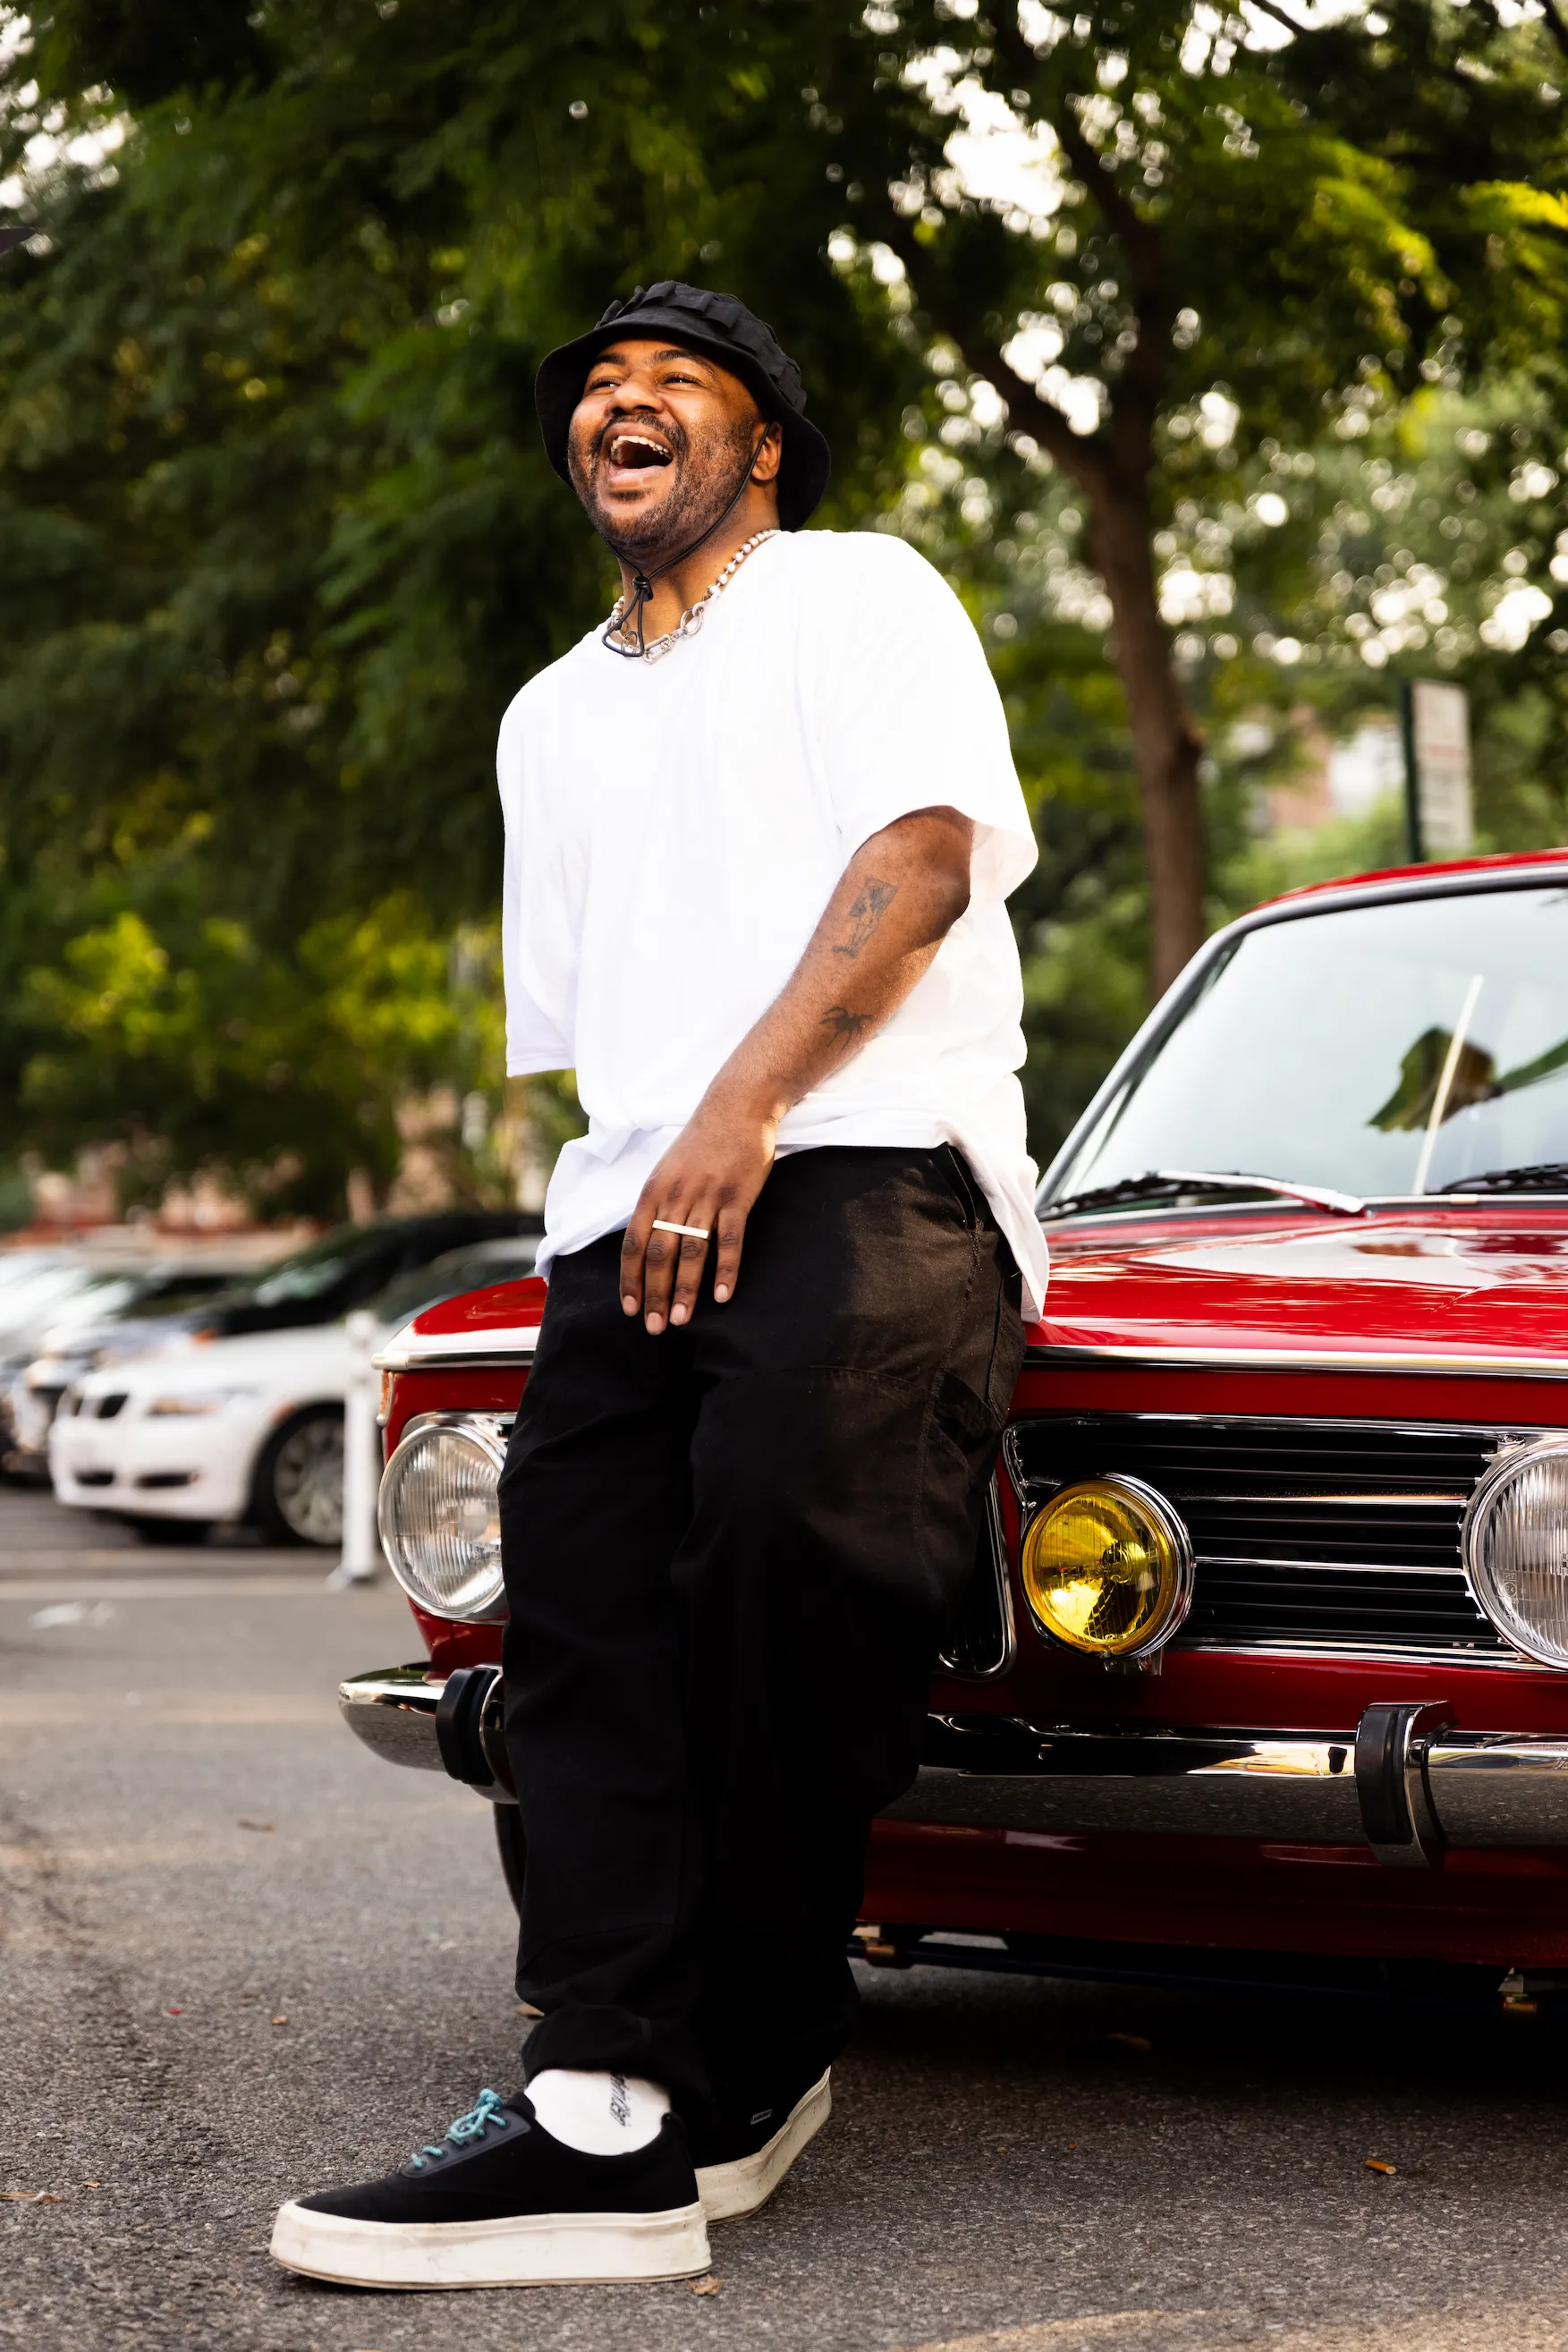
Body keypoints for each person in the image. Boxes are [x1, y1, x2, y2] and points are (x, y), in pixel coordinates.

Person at [270, 281, 1049, 2292]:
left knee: (790, 1541)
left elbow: (925, 860)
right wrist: (645, 1173)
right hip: (628, 1210)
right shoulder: (548, 713)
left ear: (759, 443)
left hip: (869, 1169)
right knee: (585, 1614)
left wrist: (745, 1108)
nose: (616, 406)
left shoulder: (856, 592)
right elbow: (598, 1035)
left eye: (667, 384)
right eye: (593, 392)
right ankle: (606, 2100)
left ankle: (763, 2035)